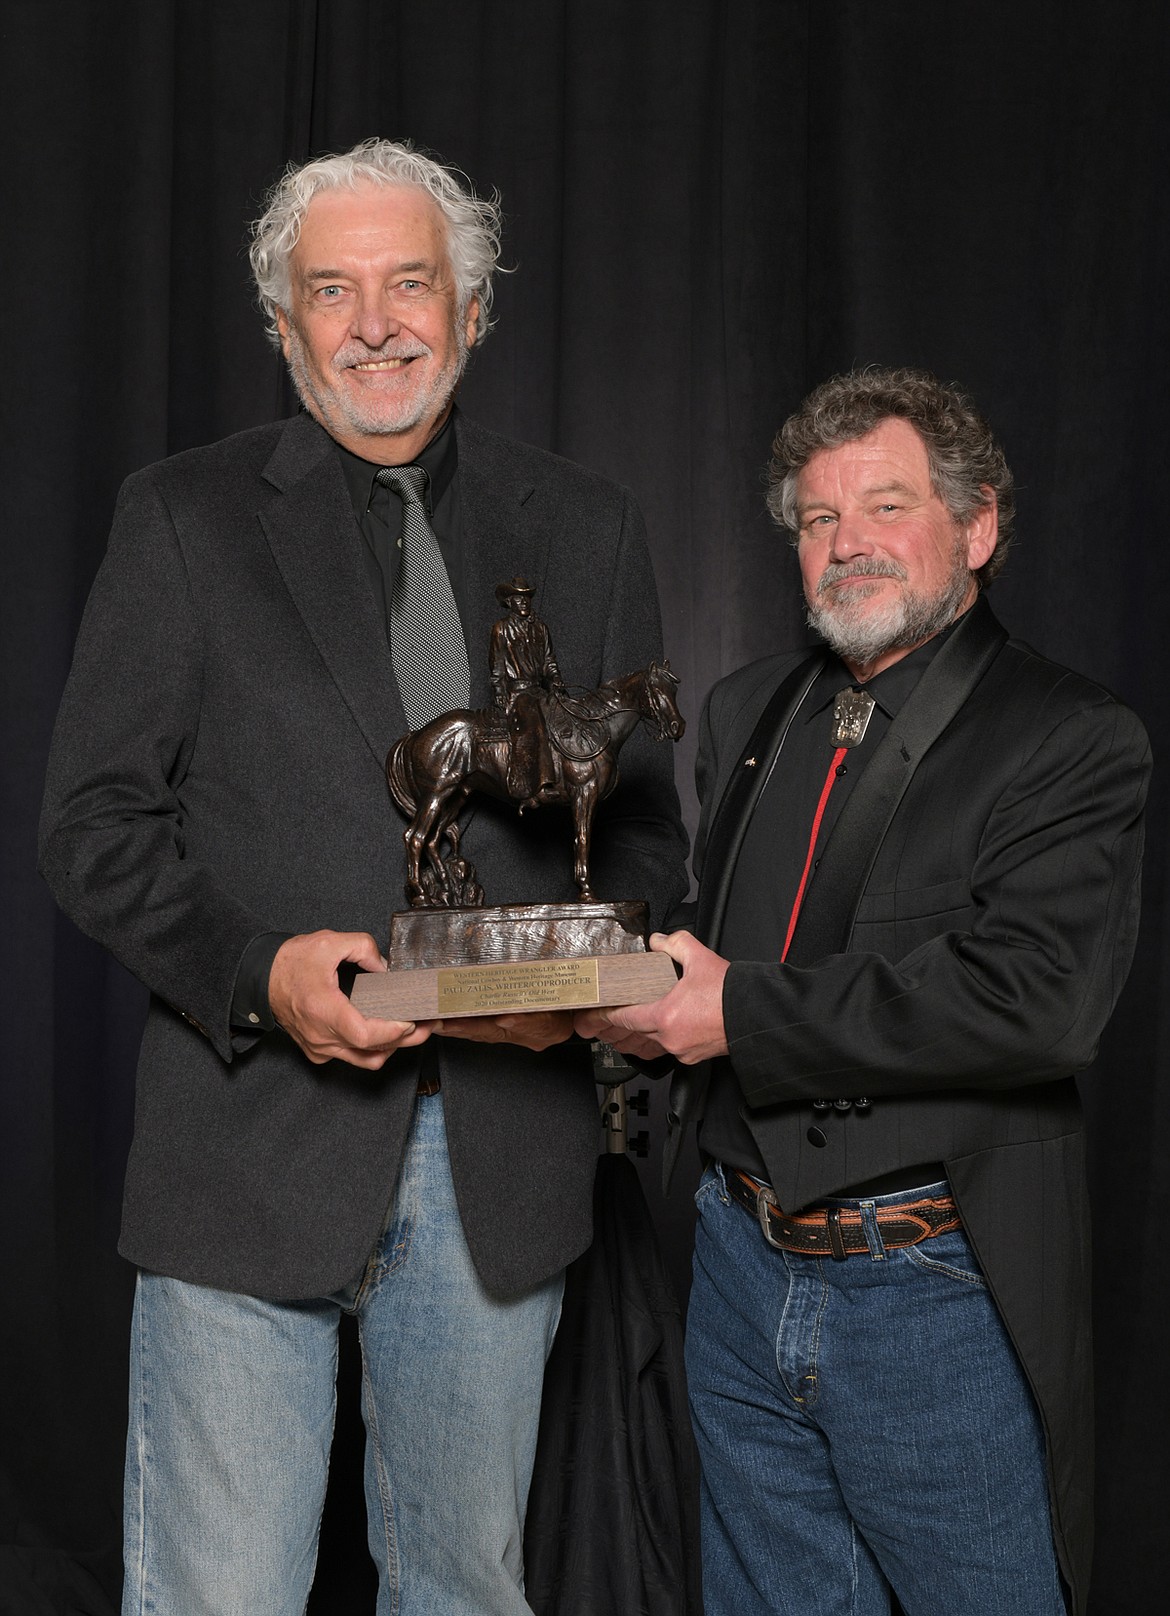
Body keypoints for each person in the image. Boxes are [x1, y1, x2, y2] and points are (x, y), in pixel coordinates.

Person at [39, 137, 687, 1615]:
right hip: (247, 1151)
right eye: (332, 292)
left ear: (471, 308)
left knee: (463, 1589)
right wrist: (258, 976)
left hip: (501, 1169)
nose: (375, 322)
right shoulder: (182, 517)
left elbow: (644, 833)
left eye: (410, 283)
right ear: (283, 328)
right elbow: (92, 825)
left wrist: (583, 985)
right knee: (222, 1595)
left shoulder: (586, 526)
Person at [576, 368, 1149, 1616]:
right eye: (819, 520)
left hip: (928, 1286)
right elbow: (707, 945)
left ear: (979, 527)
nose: (848, 543)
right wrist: (588, 981)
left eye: (884, 504)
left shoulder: (1068, 735)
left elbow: (1039, 998)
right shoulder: (749, 708)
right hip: (734, 1262)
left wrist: (732, 1012)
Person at [489, 575, 566, 806]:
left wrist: (555, 681)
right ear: (509, 602)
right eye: (518, 598)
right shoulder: (501, 629)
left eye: (526, 598)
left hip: (538, 690)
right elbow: (497, 664)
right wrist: (500, 690)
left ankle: (571, 777)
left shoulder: (541, 628)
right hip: (517, 693)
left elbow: (549, 662)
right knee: (535, 724)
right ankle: (540, 784)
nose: (523, 602)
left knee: (567, 716)